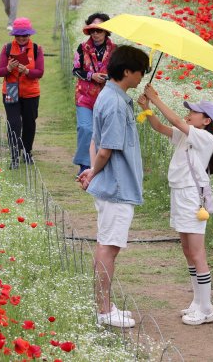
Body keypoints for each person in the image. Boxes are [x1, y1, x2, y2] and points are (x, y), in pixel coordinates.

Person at [77, 45, 150, 329]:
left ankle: (104, 304)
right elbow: (106, 149)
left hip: (110, 184)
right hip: (117, 186)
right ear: (127, 71)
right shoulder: (117, 104)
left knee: (106, 243)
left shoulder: (107, 95)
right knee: (109, 247)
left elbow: (96, 140)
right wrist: (93, 172)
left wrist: (92, 172)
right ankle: (104, 310)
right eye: (140, 71)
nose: (142, 76)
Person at [138, 88, 213, 326]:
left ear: (206, 121)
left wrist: (156, 98)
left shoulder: (204, 137)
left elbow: (173, 119)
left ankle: (206, 308)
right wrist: (146, 107)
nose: (189, 114)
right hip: (180, 193)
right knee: (187, 250)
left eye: (194, 112)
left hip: (192, 197)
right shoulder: (188, 135)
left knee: (197, 252)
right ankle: (197, 302)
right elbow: (160, 127)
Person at [0, 18, 44, 169]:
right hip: (11, 88)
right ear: (14, 36)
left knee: (29, 123)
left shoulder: (37, 49)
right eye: (18, 35)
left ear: (29, 35)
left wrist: (28, 71)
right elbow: (0, 71)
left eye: (25, 35)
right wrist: (9, 68)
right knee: (14, 123)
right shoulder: (7, 48)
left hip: (31, 92)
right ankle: (14, 155)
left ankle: (27, 152)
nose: (22, 38)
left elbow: (40, 72)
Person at [72, 13, 116, 175]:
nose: (96, 34)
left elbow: (118, 73)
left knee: (104, 131)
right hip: (84, 96)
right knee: (85, 128)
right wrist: (92, 76)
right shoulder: (81, 48)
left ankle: (98, 165)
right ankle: (84, 165)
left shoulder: (115, 50)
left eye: (99, 30)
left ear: (106, 31)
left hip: (106, 97)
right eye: (92, 31)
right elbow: (75, 70)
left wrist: (107, 77)